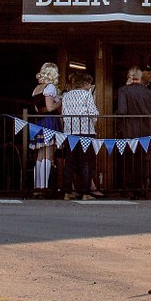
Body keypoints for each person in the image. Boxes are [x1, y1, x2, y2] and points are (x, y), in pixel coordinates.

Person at [115, 65, 151, 199]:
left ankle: (128, 189)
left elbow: (122, 111)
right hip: (145, 130)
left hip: (128, 131)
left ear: (130, 77)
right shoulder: (149, 93)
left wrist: (115, 115)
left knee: (128, 161)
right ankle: (141, 189)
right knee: (143, 161)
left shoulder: (123, 90)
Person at [62, 72, 99, 200]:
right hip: (85, 131)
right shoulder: (87, 94)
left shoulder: (66, 96)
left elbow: (63, 113)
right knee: (85, 162)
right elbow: (93, 113)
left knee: (69, 162)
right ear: (84, 84)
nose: (90, 86)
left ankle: (67, 192)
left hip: (69, 132)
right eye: (89, 84)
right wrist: (94, 122)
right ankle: (85, 193)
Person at [30, 62, 62, 197]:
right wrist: (61, 101)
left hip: (39, 122)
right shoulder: (50, 87)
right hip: (49, 122)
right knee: (48, 155)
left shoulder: (37, 88)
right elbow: (49, 108)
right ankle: (44, 187)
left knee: (39, 155)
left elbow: (37, 109)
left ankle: (37, 186)